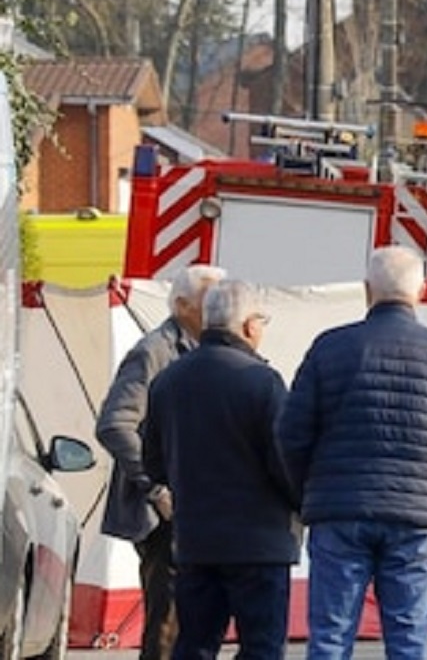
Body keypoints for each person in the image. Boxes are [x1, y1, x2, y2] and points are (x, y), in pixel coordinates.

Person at [276, 245, 427, 659]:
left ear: (366, 290)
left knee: (330, 638)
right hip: (416, 519)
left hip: (339, 513)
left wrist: (311, 494)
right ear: (422, 290)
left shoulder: (329, 348)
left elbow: (291, 435)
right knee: (410, 641)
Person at [142, 280, 299, 660]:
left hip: (196, 540)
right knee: (261, 647)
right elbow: (286, 460)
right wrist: (301, 504)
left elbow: (153, 462)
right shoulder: (263, 381)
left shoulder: (168, 381)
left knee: (194, 644)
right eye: (261, 320)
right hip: (260, 543)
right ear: (247, 326)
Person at [95, 263, 225, 660]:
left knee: (195, 619)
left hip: (200, 508)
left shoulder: (210, 349)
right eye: (211, 302)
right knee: (167, 625)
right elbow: (115, 424)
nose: (220, 311)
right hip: (168, 515)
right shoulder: (155, 351)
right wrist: (155, 487)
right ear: (183, 305)